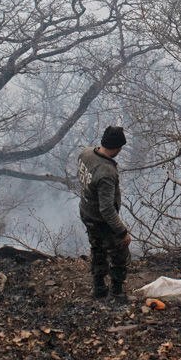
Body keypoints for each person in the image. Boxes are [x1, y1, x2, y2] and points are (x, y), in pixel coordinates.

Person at [77, 125, 132, 302]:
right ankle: (116, 293)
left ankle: (99, 288)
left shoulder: (85, 153)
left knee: (97, 248)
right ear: (117, 147)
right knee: (119, 254)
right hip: (102, 220)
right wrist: (122, 231)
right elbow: (107, 209)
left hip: (86, 211)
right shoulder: (107, 172)